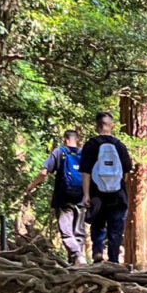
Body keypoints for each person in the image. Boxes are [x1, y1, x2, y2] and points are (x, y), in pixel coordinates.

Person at [22, 130, 87, 265]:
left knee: (66, 232)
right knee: (78, 232)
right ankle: (75, 263)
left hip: (63, 197)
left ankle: (78, 256)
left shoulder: (60, 152)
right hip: (81, 197)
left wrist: (31, 186)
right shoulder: (84, 154)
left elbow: (44, 172)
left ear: (65, 139)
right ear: (77, 140)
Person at [80, 111, 133, 263]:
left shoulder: (91, 145)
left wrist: (86, 194)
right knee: (115, 228)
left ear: (97, 126)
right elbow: (126, 171)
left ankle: (97, 252)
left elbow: (85, 172)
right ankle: (114, 260)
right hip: (117, 194)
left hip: (97, 193)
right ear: (112, 126)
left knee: (98, 225)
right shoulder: (119, 146)